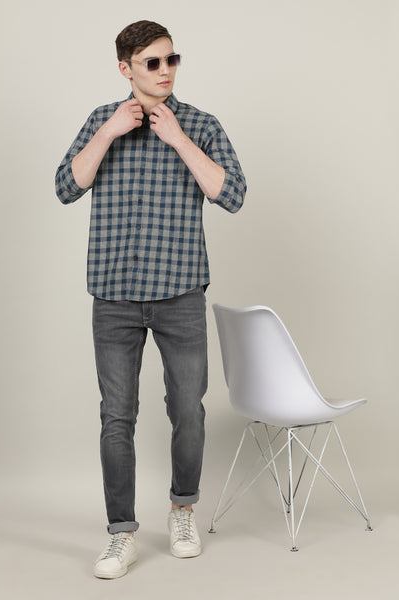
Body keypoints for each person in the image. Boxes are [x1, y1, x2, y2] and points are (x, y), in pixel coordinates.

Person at [55, 20, 246, 579]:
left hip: (180, 294)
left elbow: (233, 194)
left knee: (188, 409)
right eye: (153, 62)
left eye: (171, 60)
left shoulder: (201, 125)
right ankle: (121, 533)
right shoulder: (102, 120)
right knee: (117, 416)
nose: (166, 71)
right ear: (126, 68)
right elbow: (66, 186)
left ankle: (183, 511)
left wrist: (179, 139)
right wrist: (109, 133)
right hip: (114, 295)